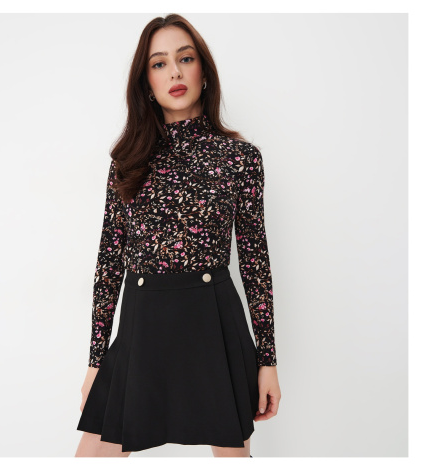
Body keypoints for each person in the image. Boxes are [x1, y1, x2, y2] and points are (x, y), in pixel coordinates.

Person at [75, 13, 281, 458]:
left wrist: (267, 361)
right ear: (146, 83)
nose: (174, 72)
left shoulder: (240, 159)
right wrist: (96, 361)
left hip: (213, 325)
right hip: (142, 327)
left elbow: (255, 263)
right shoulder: (127, 161)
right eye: (159, 63)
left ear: (203, 71)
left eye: (185, 58)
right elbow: (109, 263)